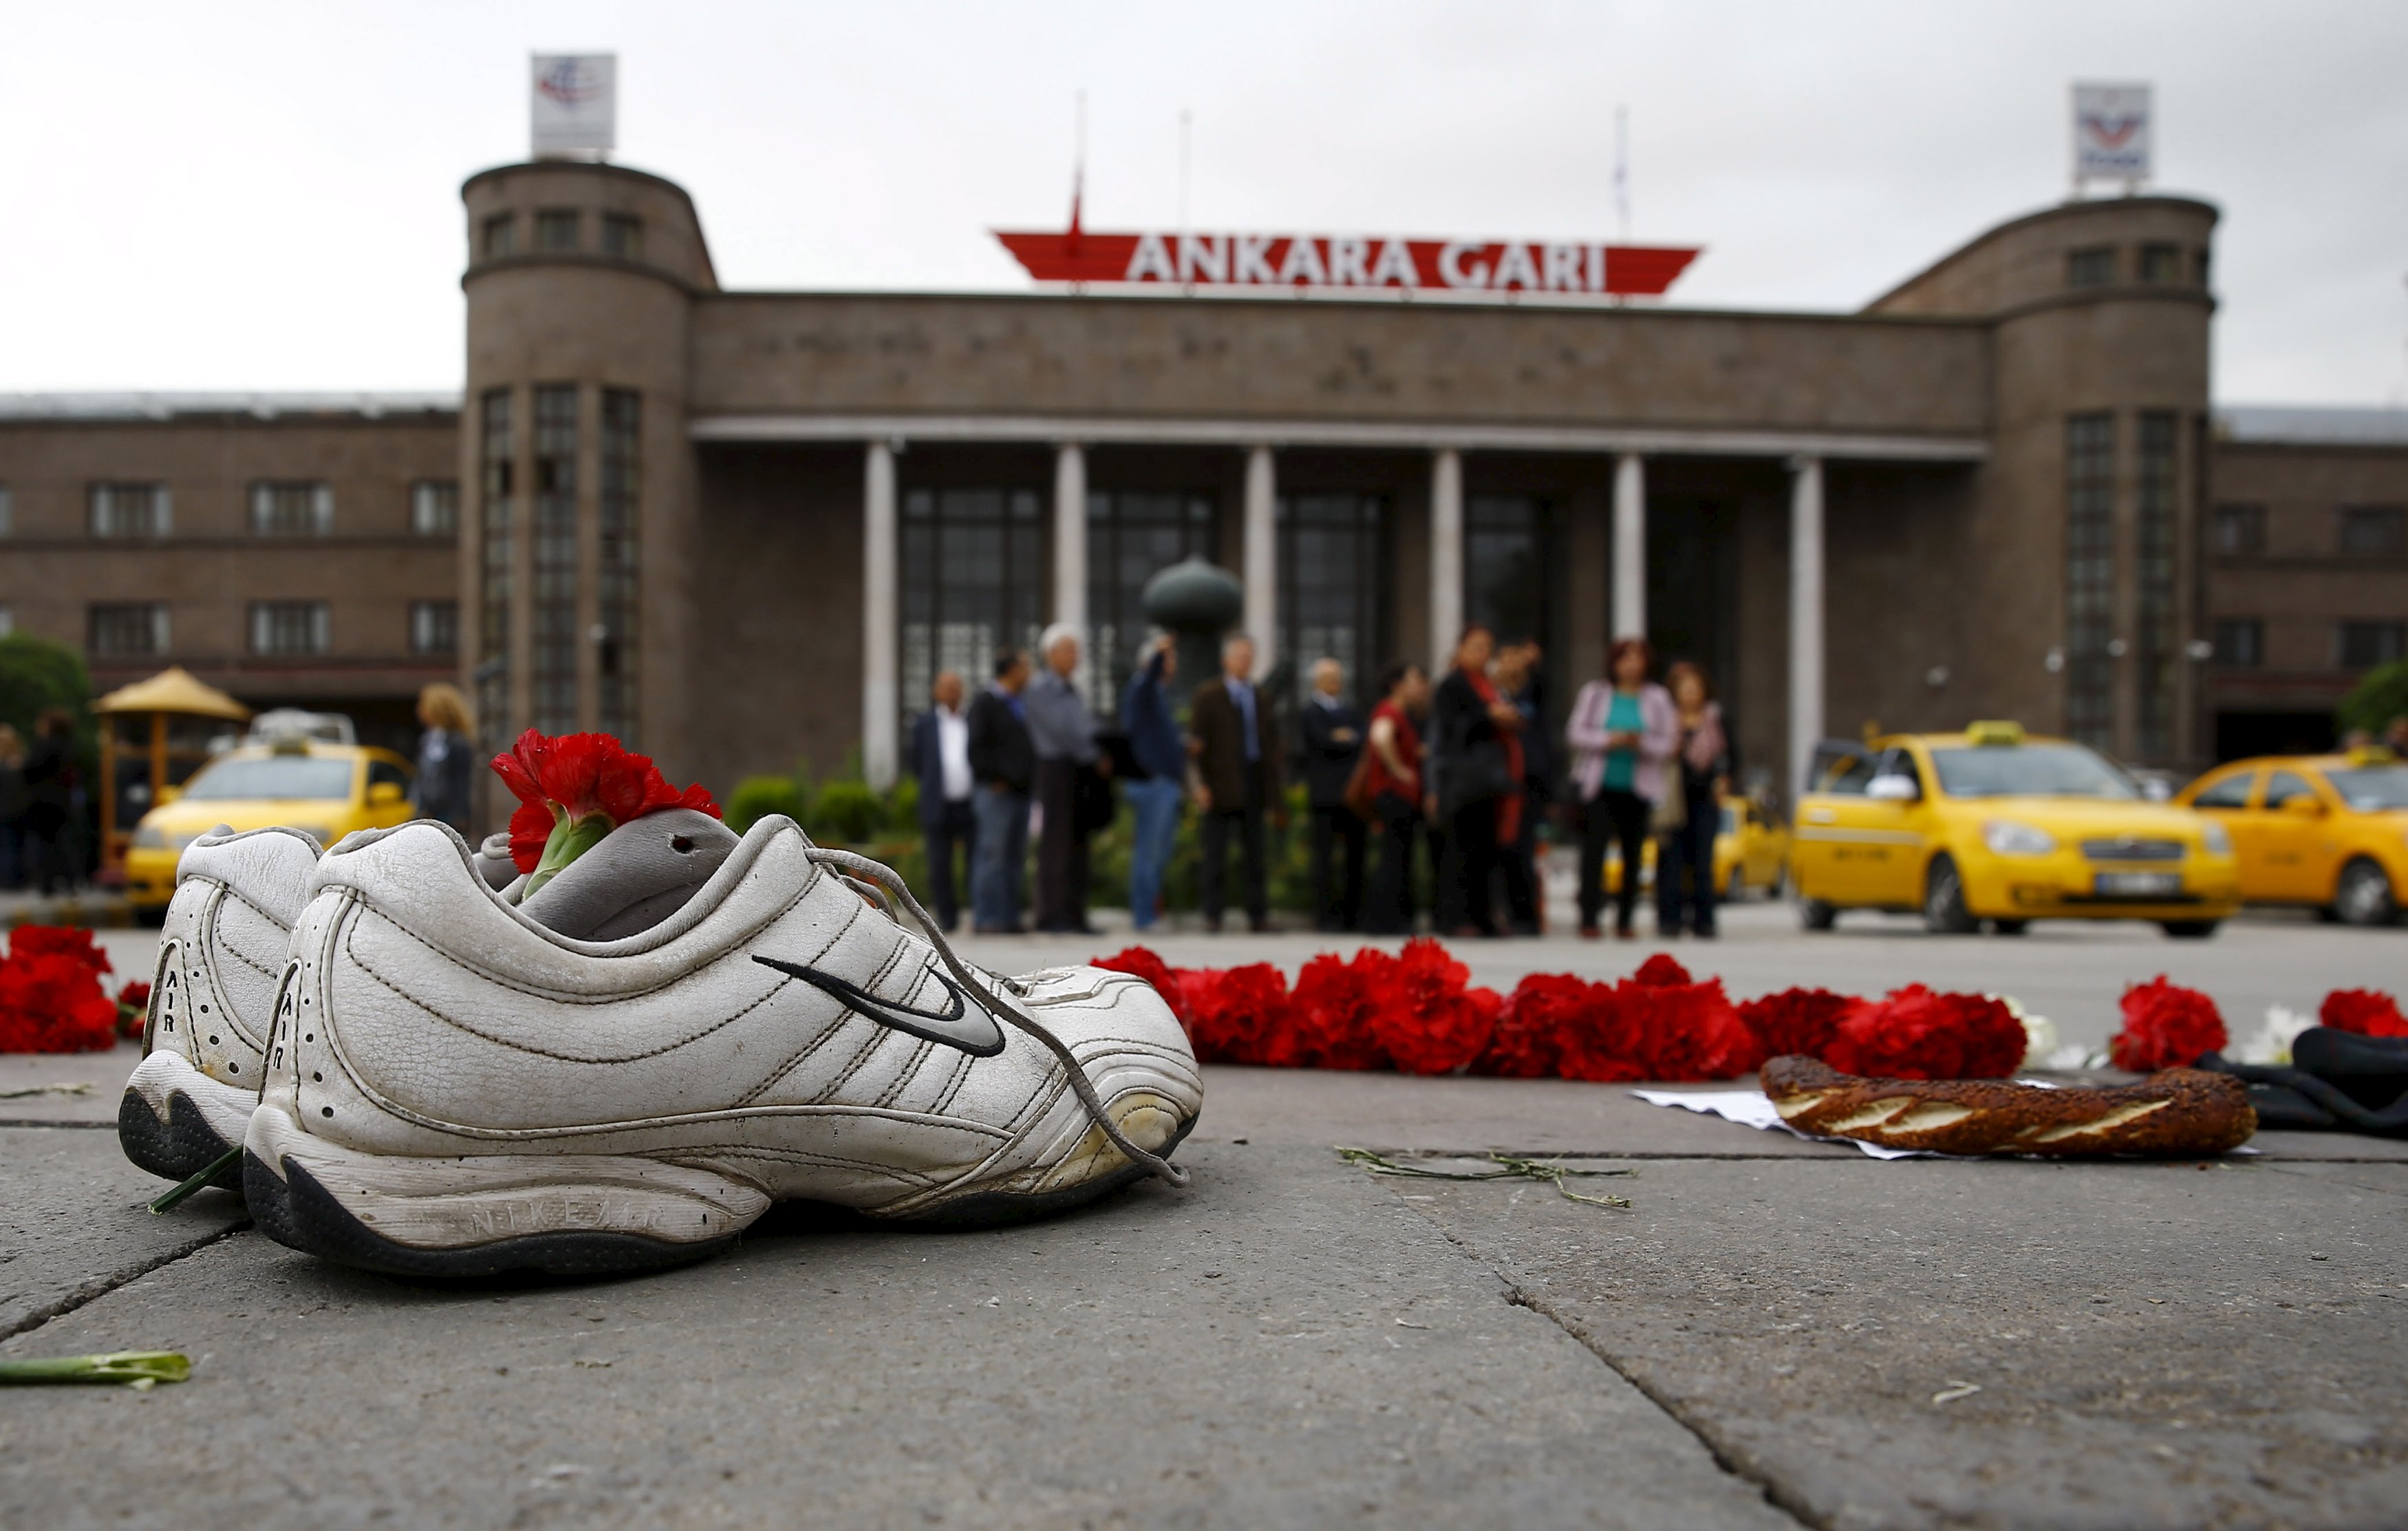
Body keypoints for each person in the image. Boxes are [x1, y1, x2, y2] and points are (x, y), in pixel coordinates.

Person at [1566, 638, 1676, 939]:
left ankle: (1625, 919)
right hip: (1599, 786)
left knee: (1634, 855)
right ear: (1613, 662)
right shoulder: (1596, 694)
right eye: (1625, 658)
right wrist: (1608, 739)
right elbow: (1576, 732)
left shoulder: (1658, 698)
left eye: (1637, 658)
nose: (1631, 665)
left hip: (1639, 789)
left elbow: (1669, 742)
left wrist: (1642, 742)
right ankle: (1589, 917)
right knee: (1594, 853)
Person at [1429, 625, 1525, 938]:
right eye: (1475, 647)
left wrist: (1502, 715)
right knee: (1459, 849)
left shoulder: (1490, 685)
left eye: (1486, 648)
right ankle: (1456, 917)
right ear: (1460, 650)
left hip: (1490, 778)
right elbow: (1450, 730)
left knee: (1486, 849)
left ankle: (1483, 916)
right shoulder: (1452, 685)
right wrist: (1488, 716)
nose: (1481, 653)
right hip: (1462, 777)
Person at [1189, 634, 1282, 933]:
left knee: (1256, 854)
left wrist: (1274, 793)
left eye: (1249, 656)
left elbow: (1271, 743)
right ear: (1226, 660)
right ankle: (1212, 914)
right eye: (1240, 656)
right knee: (1215, 853)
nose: (1245, 661)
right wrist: (1200, 785)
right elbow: (1195, 745)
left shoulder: (1260, 696)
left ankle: (1258, 914)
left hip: (1253, 779)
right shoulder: (1209, 695)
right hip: (1220, 783)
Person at [1024, 625, 1108, 934]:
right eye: (1069, 650)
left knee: (1078, 844)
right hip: (1055, 768)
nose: (1076, 657)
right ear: (1051, 654)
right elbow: (1066, 731)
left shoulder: (1073, 690)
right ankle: (1051, 915)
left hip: (1079, 771)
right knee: (1056, 844)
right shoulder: (1040, 690)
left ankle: (1075, 914)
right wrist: (1095, 752)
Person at [1655, 661, 1730, 939]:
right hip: (1672, 797)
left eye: (1695, 689)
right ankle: (1669, 919)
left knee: (1703, 861)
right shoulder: (1665, 720)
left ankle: (1704, 920)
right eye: (1685, 689)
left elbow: (1729, 756)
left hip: (1704, 797)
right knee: (1670, 860)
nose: (1690, 695)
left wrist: (1724, 781)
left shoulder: (1715, 719)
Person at [967, 649, 1035, 933]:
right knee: (993, 855)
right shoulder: (987, 701)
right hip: (996, 791)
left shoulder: (1021, 703)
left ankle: (1009, 916)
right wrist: (993, 777)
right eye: (1025, 667)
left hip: (1021, 792)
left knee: (1014, 856)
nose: (1029, 673)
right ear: (1011, 670)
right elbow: (976, 747)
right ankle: (987, 917)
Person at [1120, 636, 1185, 933]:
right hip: (1152, 785)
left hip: (1166, 783)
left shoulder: (1157, 695)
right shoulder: (1142, 689)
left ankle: (1152, 911)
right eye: (1167, 661)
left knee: (1160, 853)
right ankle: (1144, 916)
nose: (1172, 666)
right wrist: (1160, 651)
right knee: (1149, 852)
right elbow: (1148, 680)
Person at [1362, 662, 1430, 934]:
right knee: (1393, 856)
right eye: (1414, 680)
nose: (1420, 686)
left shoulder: (1403, 714)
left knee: (1400, 856)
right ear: (1398, 685)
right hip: (1393, 793)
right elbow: (1381, 737)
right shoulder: (1389, 710)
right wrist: (1398, 769)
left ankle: (1396, 918)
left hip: (1402, 795)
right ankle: (1384, 920)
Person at [1298, 657, 1366, 932]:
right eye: (1328, 677)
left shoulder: (1350, 710)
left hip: (1351, 794)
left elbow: (1362, 737)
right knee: (1325, 858)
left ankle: (1352, 915)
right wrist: (1341, 739)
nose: (1334, 682)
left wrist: (1343, 738)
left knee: (1355, 855)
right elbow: (1322, 741)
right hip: (1325, 795)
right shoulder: (1310, 711)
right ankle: (1325, 916)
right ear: (1317, 681)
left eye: (1337, 677)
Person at [909, 670, 978, 932]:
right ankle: (947, 918)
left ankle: (976, 913)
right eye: (946, 687)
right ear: (936, 691)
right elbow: (916, 763)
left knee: (975, 861)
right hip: (938, 804)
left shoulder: (970, 720)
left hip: (969, 803)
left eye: (956, 687)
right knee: (940, 864)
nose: (951, 692)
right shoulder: (924, 724)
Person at [1490, 642, 1545, 934]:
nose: (1511, 666)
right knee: (1498, 850)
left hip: (1527, 781)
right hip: (1495, 779)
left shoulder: (1533, 693)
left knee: (1523, 849)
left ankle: (1526, 917)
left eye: (1516, 661)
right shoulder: (1489, 695)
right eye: (1505, 660)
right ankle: (1499, 914)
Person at [20, 707, 79, 897]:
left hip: (45, 802)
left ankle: (48, 884)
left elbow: (29, 769)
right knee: (62, 843)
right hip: (62, 802)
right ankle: (69, 881)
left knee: (46, 844)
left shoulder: (46, 746)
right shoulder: (68, 747)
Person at [409, 682, 477, 836]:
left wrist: (461, 814)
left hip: (450, 813)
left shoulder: (458, 742)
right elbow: (421, 776)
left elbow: (461, 781)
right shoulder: (427, 740)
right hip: (428, 811)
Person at [0, 725, 26, 890]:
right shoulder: (19, 761)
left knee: (8, 846)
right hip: (19, 809)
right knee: (16, 846)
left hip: (6, 810)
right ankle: (16, 880)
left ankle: (9, 880)